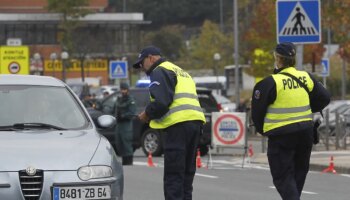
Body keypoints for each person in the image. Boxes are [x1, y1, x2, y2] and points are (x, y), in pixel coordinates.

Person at [251, 42, 330, 200]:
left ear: (278, 59)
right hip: (305, 133)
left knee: (283, 177)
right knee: (297, 176)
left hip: (282, 136)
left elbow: (257, 114)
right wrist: (308, 107)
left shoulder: (270, 83)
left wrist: (264, 130)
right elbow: (324, 98)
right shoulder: (305, 77)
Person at [133, 46, 206, 200]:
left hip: (178, 127)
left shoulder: (159, 70)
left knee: (174, 176)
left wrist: (147, 114)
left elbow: (161, 103)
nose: (141, 67)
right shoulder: (180, 71)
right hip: (194, 124)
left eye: (142, 62)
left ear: (151, 58)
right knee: (186, 177)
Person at [115, 82, 136, 165]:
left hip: (126, 125)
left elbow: (132, 113)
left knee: (126, 144)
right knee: (119, 143)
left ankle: (128, 162)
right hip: (119, 125)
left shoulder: (131, 100)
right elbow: (114, 109)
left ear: (127, 90)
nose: (123, 91)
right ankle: (124, 161)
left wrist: (123, 116)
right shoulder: (119, 99)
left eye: (125, 89)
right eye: (122, 89)